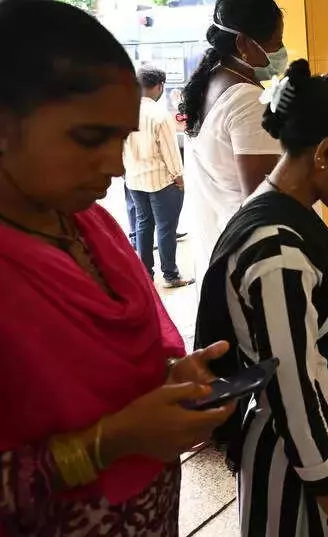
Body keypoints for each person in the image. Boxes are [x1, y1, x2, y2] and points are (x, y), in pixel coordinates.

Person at [0, 2, 235, 535]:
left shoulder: (92, 226)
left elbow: (127, 367)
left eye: (121, 138)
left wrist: (168, 381)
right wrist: (111, 442)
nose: (113, 165)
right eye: (89, 138)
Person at [195, 60, 328, 537]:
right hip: (298, 469)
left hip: (317, 450)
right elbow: (294, 398)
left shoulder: (282, 214)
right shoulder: (277, 253)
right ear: (327, 153)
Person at [180, 0, 285, 289]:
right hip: (252, 255)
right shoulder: (248, 100)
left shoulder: (214, 79)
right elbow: (264, 200)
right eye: (276, 42)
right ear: (243, 43)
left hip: (223, 241)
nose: (281, 51)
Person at [123, 66, 194, 288]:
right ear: (160, 86)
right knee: (166, 229)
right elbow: (170, 151)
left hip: (134, 180)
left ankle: (145, 276)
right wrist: (179, 178)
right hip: (162, 181)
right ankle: (171, 275)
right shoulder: (159, 115)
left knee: (143, 225)